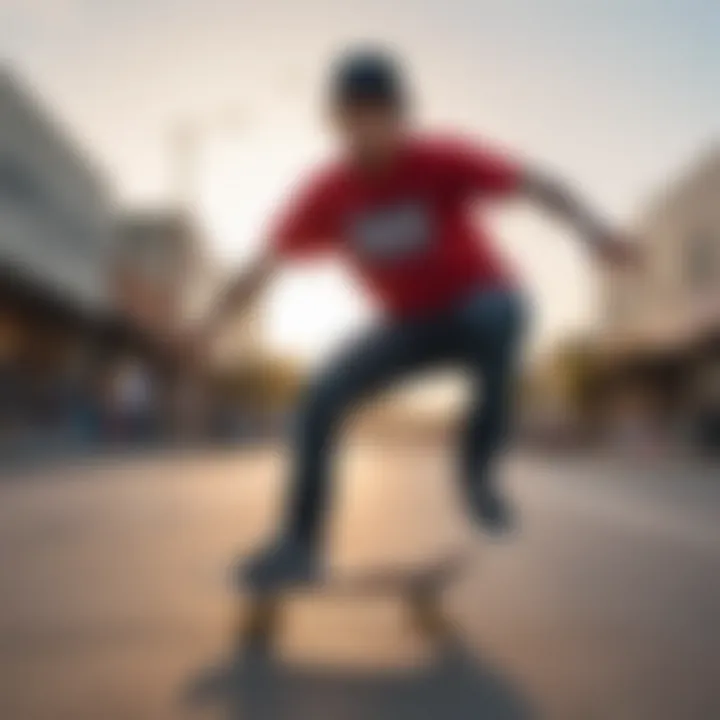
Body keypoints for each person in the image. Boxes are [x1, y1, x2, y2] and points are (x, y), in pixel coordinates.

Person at [198, 47, 638, 589]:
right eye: (352, 117)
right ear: (335, 123)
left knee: (502, 312)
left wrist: (596, 233)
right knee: (319, 395)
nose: (367, 130)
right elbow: (261, 267)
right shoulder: (327, 192)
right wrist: (205, 329)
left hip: (477, 306)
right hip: (407, 330)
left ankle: (476, 472)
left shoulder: (441, 159)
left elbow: (536, 184)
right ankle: (298, 544)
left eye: (379, 115)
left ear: (401, 118)